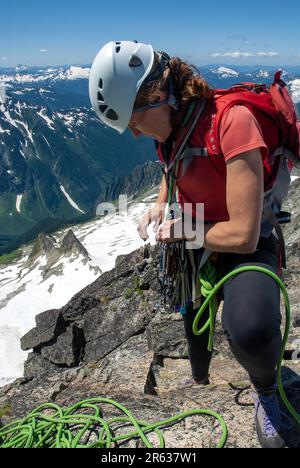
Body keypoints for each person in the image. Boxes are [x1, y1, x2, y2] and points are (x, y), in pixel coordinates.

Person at [89, 40, 293, 448]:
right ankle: (199, 380)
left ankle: (267, 392)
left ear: (160, 96)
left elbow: (243, 235)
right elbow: (172, 166)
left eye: (133, 117)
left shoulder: (233, 123)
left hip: (248, 242)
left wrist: (185, 231)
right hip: (196, 230)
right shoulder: (170, 128)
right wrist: (160, 205)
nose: (131, 130)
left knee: (249, 329)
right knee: (192, 309)